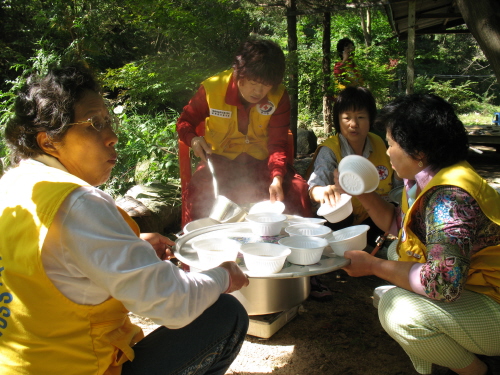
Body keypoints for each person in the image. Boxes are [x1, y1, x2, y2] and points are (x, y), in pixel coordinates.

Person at [0, 64, 250, 375]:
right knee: (225, 314)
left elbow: (51, 265)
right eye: (93, 124)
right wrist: (223, 275)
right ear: (48, 142)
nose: (112, 137)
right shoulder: (78, 204)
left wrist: (130, 244)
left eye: (108, 121)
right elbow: (172, 304)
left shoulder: (14, 186)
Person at [341, 94, 500, 375]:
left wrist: (373, 266)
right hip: (475, 281)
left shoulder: (449, 199)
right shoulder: (429, 177)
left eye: (391, 144)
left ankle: (478, 370)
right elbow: (400, 226)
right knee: (397, 251)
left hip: (493, 298)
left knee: (398, 310)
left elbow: (443, 284)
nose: (388, 152)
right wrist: (362, 193)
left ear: (419, 153)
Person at [176, 37, 312, 224]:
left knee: (297, 189)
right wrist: (193, 139)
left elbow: (277, 143)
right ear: (239, 72)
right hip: (219, 161)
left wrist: (277, 178)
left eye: (265, 85)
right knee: (199, 192)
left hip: (262, 162)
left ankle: (294, 246)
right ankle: (197, 247)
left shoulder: (278, 96)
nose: (258, 91)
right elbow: (184, 122)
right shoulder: (212, 89)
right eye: (253, 82)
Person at [306, 86, 399, 302]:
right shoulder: (331, 149)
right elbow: (314, 187)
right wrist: (323, 192)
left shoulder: (382, 145)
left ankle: (372, 252)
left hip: (372, 218)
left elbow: (397, 189)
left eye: (360, 117)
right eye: (346, 117)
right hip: (340, 220)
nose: (353, 124)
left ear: (371, 119)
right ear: (338, 119)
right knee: (334, 220)